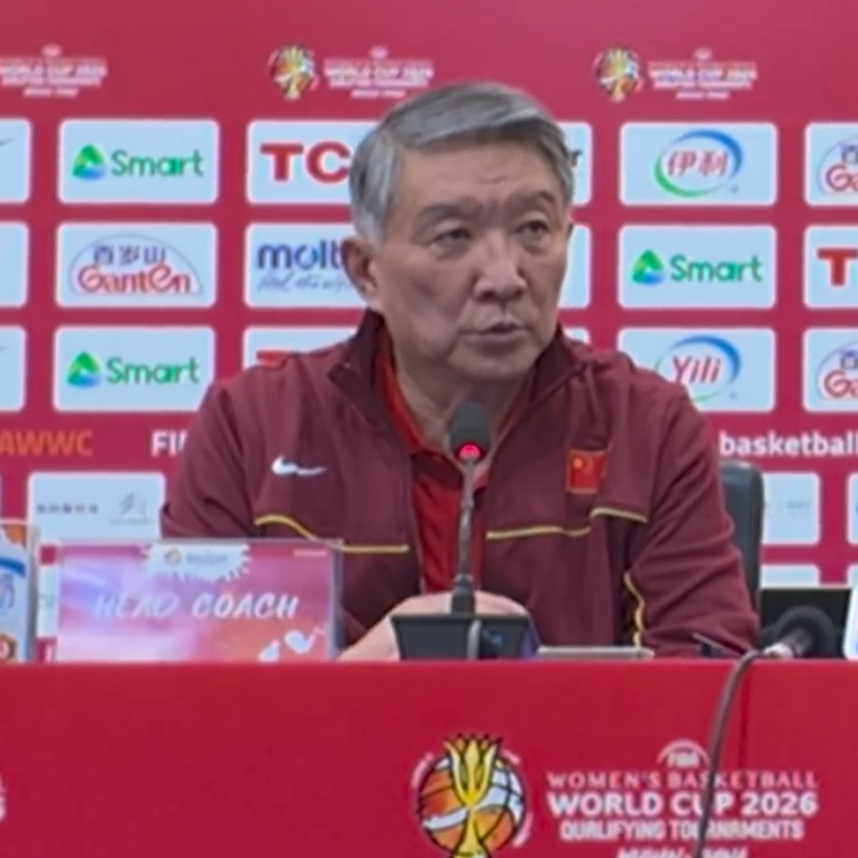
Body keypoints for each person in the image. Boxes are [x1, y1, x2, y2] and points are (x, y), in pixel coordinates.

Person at [160, 81, 759, 660]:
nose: (504, 276)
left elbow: (711, 680)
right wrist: (355, 683)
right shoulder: (253, 427)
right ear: (366, 272)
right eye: (453, 236)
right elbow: (191, 689)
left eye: (533, 230)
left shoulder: (645, 425)